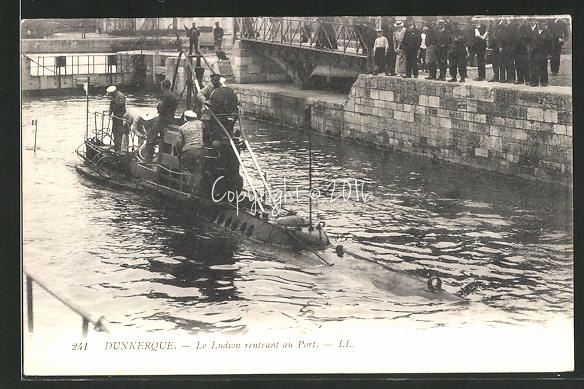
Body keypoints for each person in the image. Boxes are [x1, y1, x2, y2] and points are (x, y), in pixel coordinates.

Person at [144, 79, 178, 162]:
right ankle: (158, 140)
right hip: (169, 118)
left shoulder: (166, 95)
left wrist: (158, 105)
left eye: (161, 86)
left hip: (163, 119)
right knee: (148, 124)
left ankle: (148, 159)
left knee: (150, 137)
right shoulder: (172, 95)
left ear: (163, 86)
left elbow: (161, 108)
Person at [197, 73, 226, 146]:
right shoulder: (208, 87)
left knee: (223, 122)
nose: (216, 82)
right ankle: (206, 140)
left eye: (217, 80)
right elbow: (200, 94)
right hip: (209, 109)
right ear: (212, 81)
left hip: (220, 110)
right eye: (214, 81)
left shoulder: (223, 87)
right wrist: (205, 101)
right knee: (206, 123)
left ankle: (221, 137)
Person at [530, 20, 552, 87]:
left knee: (543, 67)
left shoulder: (547, 33)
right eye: (538, 24)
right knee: (534, 67)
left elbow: (551, 44)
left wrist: (549, 54)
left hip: (543, 53)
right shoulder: (535, 32)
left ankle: (544, 82)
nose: (540, 26)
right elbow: (532, 42)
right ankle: (534, 82)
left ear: (544, 25)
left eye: (541, 24)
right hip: (535, 53)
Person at [106, 85, 126, 152]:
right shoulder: (114, 96)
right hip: (115, 116)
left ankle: (119, 146)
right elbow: (111, 105)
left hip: (121, 116)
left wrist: (113, 100)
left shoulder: (120, 96)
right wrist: (110, 113)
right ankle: (116, 145)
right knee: (114, 130)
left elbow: (121, 104)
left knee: (120, 131)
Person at [513, 19, 531, 85]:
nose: (518, 21)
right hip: (516, 49)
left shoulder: (525, 28)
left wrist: (520, 40)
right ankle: (520, 79)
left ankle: (527, 79)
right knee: (518, 64)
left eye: (519, 20)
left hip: (523, 49)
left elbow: (527, 38)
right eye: (517, 20)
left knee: (525, 64)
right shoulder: (515, 28)